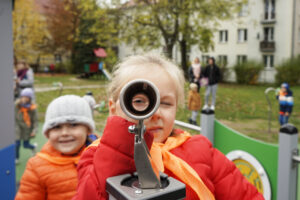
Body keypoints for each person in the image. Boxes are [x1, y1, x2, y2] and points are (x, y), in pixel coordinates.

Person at [72, 54, 263, 200]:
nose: (154, 113)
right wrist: (121, 144)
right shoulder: (96, 155)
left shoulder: (201, 149)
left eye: (165, 103)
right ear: (114, 109)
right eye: (139, 101)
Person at [15, 95, 98, 200]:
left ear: (88, 129)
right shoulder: (37, 167)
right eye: (56, 127)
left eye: (73, 125)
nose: (64, 133)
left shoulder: (100, 154)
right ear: (48, 133)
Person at [15, 88, 38, 164]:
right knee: (17, 143)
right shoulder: (17, 105)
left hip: (27, 128)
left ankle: (33, 147)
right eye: (23, 96)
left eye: (26, 97)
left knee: (25, 145)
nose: (24, 98)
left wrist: (34, 130)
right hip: (17, 126)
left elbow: (35, 120)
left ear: (30, 98)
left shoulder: (32, 108)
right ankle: (16, 158)